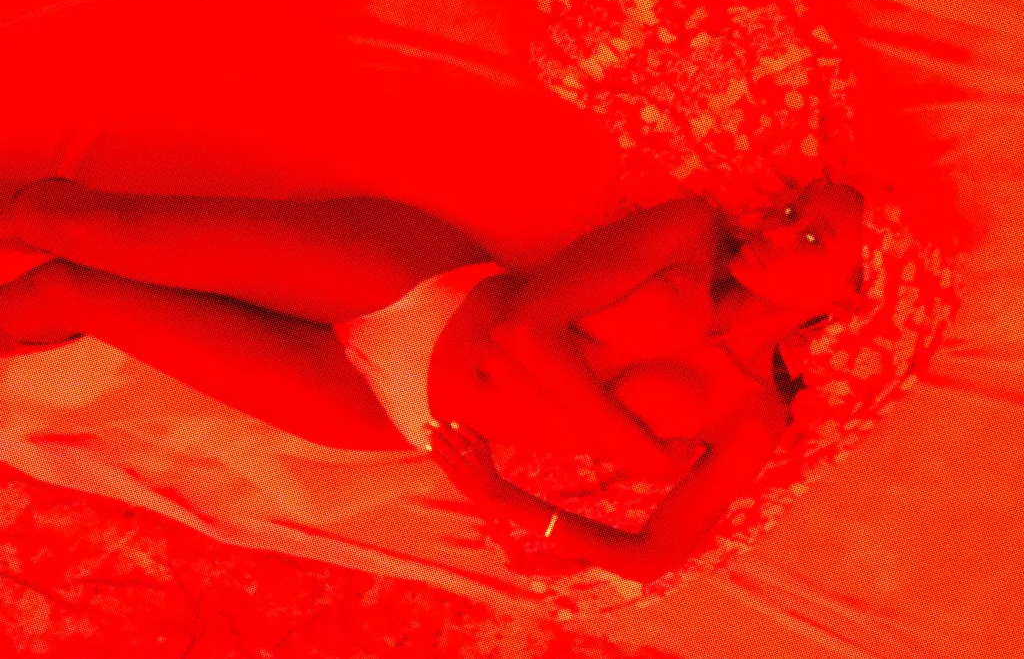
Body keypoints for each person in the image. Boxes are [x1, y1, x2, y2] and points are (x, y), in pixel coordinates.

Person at [0, 172, 864, 583]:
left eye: (812, 239)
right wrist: (635, 451)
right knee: (82, 224)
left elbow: (652, 559)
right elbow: (527, 330)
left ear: (849, 296)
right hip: (413, 287)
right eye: (792, 210)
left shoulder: (752, 419)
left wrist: (508, 503)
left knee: (70, 294)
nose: (776, 229)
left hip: (388, 410)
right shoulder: (686, 235)